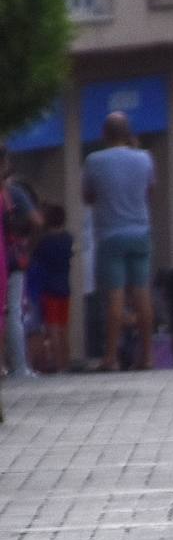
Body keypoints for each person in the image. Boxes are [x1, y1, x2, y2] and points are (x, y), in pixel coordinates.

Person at [83, 112, 156, 372]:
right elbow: (150, 192)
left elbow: (88, 196)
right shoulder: (145, 158)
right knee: (142, 293)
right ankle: (146, 356)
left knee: (114, 296)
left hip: (110, 234)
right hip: (140, 232)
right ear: (128, 133)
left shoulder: (94, 161)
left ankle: (110, 357)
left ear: (104, 134)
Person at [1, 148, 42, 377]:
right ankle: (18, 366)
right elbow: (36, 221)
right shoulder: (13, 193)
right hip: (11, 259)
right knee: (13, 311)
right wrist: (27, 246)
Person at [27, 203, 73, 373]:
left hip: (49, 290)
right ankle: (66, 362)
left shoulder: (44, 242)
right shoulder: (67, 239)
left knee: (52, 327)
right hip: (65, 288)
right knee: (64, 327)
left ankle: (57, 362)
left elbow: (32, 256)